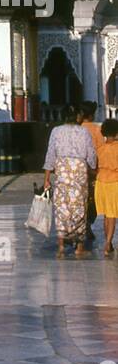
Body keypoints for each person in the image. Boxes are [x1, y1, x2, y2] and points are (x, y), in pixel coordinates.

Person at [43, 104, 97, 257]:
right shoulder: (84, 132)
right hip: (79, 171)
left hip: (62, 171)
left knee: (62, 207)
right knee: (79, 207)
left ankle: (61, 245)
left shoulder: (56, 131)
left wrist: (47, 178)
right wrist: (93, 167)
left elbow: (50, 154)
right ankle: (79, 247)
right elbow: (91, 153)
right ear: (78, 117)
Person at [78, 101, 103, 239]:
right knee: (92, 199)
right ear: (92, 115)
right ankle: (88, 223)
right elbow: (100, 150)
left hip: (78, 169)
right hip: (92, 170)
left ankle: (82, 224)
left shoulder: (77, 129)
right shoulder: (96, 130)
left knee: (80, 198)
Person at [95, 118, 118, 257]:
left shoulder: (100, 148)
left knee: (105, 216)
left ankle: (108, 242)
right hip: (114, 182)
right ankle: (108, 243)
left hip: (101, 183)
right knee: (112, 215)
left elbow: (95, 166)